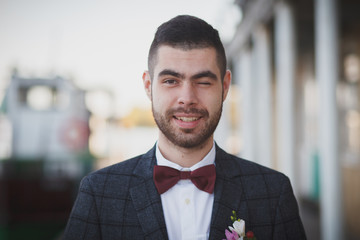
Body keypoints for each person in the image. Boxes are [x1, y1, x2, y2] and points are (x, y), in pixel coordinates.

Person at [63, 15, 306, 240]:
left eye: (203, 81)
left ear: (225, 86)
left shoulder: (273, 192)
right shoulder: (98, 192)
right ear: (148, 86)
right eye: (171, 81)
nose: (187, 97)